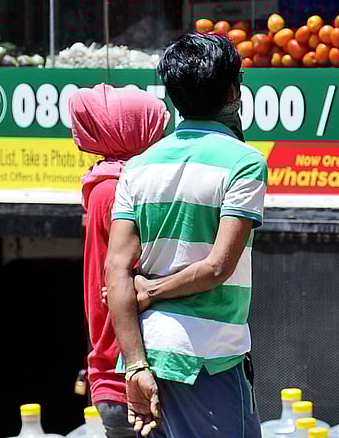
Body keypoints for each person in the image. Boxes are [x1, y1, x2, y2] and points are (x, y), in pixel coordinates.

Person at [107, 33, 267, 437]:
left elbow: (116, 273)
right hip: (209, 359)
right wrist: (153, 292)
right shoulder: (245, 163)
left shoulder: (139, 166)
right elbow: (217, 267)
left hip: (147, 357)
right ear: (232, 91)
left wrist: (136, 366)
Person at [71, 85, 171, 438]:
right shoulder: (118, 186)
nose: (77, 132)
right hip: (129, 372)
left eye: (89, 124)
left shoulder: (109, 186)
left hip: (120, 373)